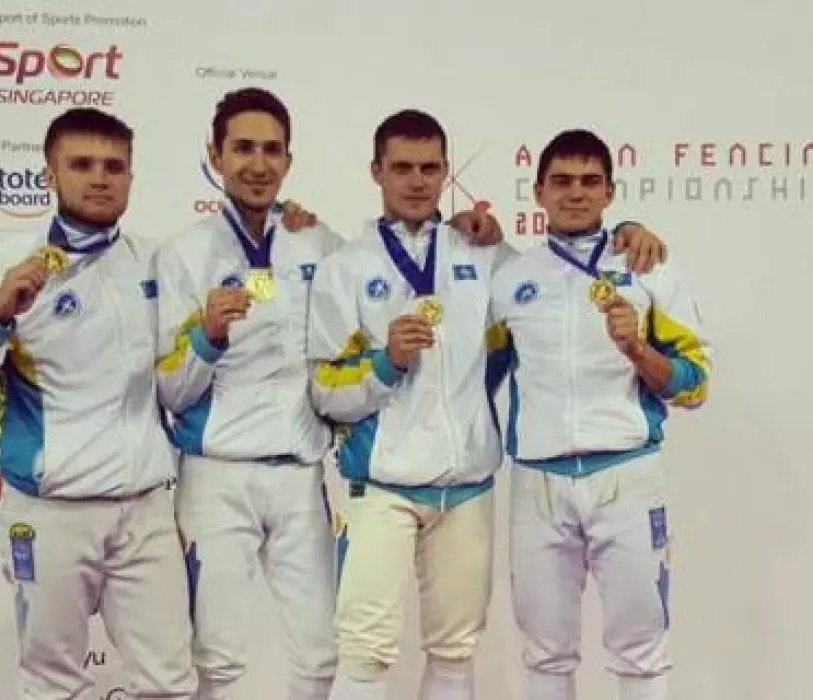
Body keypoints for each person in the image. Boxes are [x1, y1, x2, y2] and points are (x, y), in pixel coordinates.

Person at [152, 87, 510, 700]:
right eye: (243, 149)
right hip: (216, 475)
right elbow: (170, 389)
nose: (258, 164)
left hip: (301, 473)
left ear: (288, 160)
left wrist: (470, 231)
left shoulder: (321, 245)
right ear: (215, 156)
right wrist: (207, 336)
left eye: (271, 150)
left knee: (323, 656)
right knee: (218, 660)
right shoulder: (183, 254)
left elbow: (428, 291)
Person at [305, 111, 668, 700]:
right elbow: (324, 390)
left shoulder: (489, 259)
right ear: (376, 171)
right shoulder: (345, 268)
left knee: (454, 653)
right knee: (365, 655)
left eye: (430, 168)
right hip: (383, 485)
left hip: (467, 489)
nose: (417, 181)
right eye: (403, 167)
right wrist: (385, 363)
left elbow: (557, 280)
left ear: (447, 172)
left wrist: (627, 229)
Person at [0, 108, 196, 700]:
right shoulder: (6, 265)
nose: (99, 178)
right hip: (50, 514)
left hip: (145, 511)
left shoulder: (157, 261)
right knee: (52, 685)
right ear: (49, 175)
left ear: (131, 176)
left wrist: (288, 223)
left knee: (170, 683)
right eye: (81, 164)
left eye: (114, 166)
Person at [486, 129, 712, 700]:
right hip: (539, 483)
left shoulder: (648, 268)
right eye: (562, 181)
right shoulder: (510, 279)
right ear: (538, 191)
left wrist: (638, 351)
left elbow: (696, 384)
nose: (576, 193)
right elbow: (475, 382)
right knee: (545, 655)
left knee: (641, 652)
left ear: (610, 191)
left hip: (626, 476)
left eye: (590, 181)